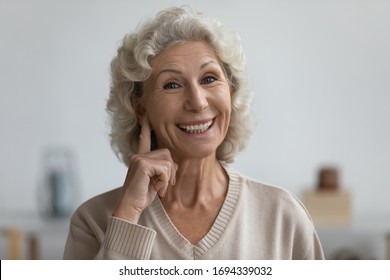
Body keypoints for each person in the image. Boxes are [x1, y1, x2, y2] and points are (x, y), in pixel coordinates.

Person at [63, 6, 324, 260]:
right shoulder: (93, 222)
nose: (197, 102)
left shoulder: (283, 217)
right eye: (172, 84)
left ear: (231, 92)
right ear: (140, 108)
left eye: (209, 79)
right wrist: (129, 214)